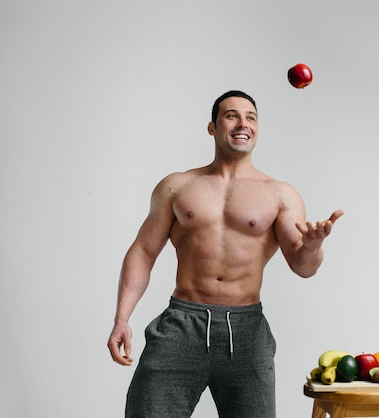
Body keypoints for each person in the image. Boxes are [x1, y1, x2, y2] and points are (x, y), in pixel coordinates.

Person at [107, 90, 343, 418]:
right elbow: (143, 252)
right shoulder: (177, 186)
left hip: (246, 334)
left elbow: (302, 266)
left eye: (251, 117)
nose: (242, 123)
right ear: (212, 127)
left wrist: (313, 247)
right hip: (181, 326)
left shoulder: (280, 194)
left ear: (257, 129)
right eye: (231, 115)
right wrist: (122, 319)